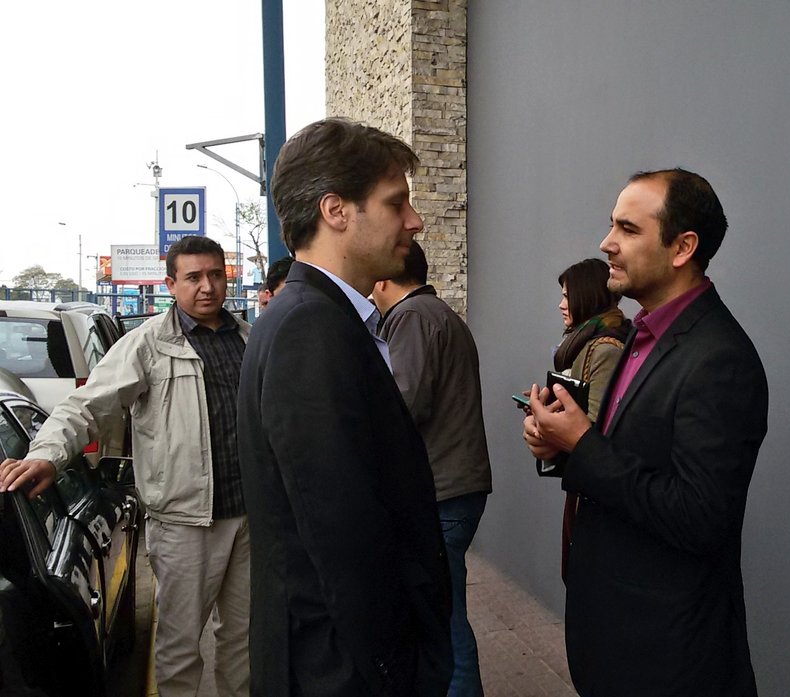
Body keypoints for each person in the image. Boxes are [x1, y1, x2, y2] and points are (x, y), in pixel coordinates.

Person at [523, 168, 769, 697]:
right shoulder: (639, 333)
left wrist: (583, 444)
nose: (606, 243)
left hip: (665, 655)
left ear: (683, 247)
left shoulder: (719, 359)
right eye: (612, 224)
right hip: (613, 634)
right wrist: (562, 446)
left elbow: (700, 517)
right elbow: (632, 460)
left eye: (628, 229)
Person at [236, 117, 453, 697]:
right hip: (339, 668)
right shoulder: (309, 326)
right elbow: (341, 529)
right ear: (336, 211)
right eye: (396, 203)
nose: (415, 221)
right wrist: (394, 667)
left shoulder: (315, 316)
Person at [0, 235, 251, 697]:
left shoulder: (248, 338)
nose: (207, 287)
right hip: (185, 522)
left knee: (244, 642)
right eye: (193, 277)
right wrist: (46, 454)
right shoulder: (147, 344)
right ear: (171, 285)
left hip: (250, 517)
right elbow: (86, 406)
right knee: (181, 647)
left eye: (216, 274)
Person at [373, 240, 492, 697]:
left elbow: (402, 407)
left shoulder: (412, 317)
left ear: (384, 276)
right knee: (446, 615)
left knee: (445, 623)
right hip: (453, 489)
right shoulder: (434, 313)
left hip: (443, 493)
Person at [544, 258, 631, 582]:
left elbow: (595, 428)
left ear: (587, 295)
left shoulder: (603, 349)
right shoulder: (584, 343)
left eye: (567, 296)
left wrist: (550, 425)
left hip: (594, 492)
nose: (561, 305)